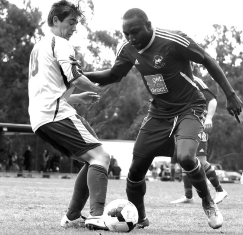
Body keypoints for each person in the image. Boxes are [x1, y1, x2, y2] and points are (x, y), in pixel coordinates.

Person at [73, 8, 242, 230]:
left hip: (189, 107)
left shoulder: (173, 40)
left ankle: (208, 203)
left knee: (186, 158)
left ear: (149, 25)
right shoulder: (128, 49)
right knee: (134, 172)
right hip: (159, 113)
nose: (130, 38)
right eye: (126, 34)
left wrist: (230, 95)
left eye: (134, 32)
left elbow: (208, 60)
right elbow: (113, 75)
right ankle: (140, 218)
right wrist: (77, 75)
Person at [28, 0, 110, 230]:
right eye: (71, 22)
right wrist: (95, 86)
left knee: (93, 158)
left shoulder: (39, 46)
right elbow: (75, 76)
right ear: (56, 20)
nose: (75, 28)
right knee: (101, 158)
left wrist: (79, 98)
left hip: (41, 117)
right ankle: (96, 216)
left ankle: (73, 216)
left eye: (76, 23)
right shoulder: (61, 43)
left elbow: (48, 91)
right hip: (56, 114)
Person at [170, 76, 227, 204]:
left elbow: (212, 100)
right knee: (184, 158)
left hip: (198, 125)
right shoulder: (173, 79)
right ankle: (188, 196)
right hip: (183, 127)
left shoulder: (194, 80)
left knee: (201, 160)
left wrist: (209, 118)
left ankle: (220, 190)